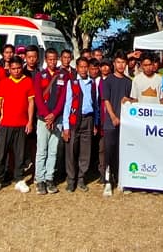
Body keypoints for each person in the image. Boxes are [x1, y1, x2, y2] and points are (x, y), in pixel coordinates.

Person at [0, 57, 35, 194]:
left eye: (18, 68)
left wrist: (30, 121)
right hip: (5, 124)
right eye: (13, 68)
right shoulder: (3, 83)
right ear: (9, 69)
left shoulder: (28, 81)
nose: (16, 71)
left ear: (22, 67)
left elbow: (31, 103)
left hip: (21, 125)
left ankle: (19, 179)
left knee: (20, 154)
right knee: (1, 153)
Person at [32, 48, 68, 194]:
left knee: (53, 151)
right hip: (43, 119)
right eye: (50, 59)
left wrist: (54, 114)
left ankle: (49, 178)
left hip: (57, 118)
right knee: (42, 150)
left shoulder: (63, 76)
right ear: (46, 60)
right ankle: (40, 179)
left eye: (55, 59)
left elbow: (63, 98)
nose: (52, 62)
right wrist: (47, 115)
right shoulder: (40, 76)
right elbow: (38, 98)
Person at [61, 56, 98, 192]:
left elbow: (96, 105)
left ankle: (81, 178)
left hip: (88, 120)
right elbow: (67, 104)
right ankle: (71, 180)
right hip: (74, 119)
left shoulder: (92, 83)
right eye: (80, 67)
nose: (83, 69)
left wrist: (95, 122)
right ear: (76, 68)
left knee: (85, 151)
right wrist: (66, 126)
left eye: (85, 67)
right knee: (71, 150)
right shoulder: (72, 83)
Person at [101, 52, 132, 196]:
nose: (121, 65)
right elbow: (106, 100)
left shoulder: (128, 81)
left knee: (122, 152)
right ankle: (107, 181)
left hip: (125, 123)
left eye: (123, 62)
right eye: (118, 62)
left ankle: (121, 179)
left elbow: (130, 99)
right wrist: (113, 117)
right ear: (114, 63)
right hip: (110, 123)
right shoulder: (107, 81)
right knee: (109, 152)